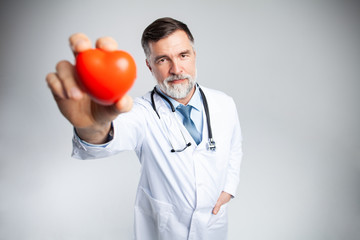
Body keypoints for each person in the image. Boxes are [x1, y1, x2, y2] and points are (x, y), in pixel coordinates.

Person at [46, 17, 242, 240]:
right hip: (165, 230)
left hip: (212, 226)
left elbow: (234, 148)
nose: (176, 69)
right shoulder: (139, 112)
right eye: (162, 60)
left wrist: (229, 188)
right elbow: (105, 136)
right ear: (149, 65)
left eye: (183, 55)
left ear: (194, 56)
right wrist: (93, 126)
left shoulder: (224, 103)